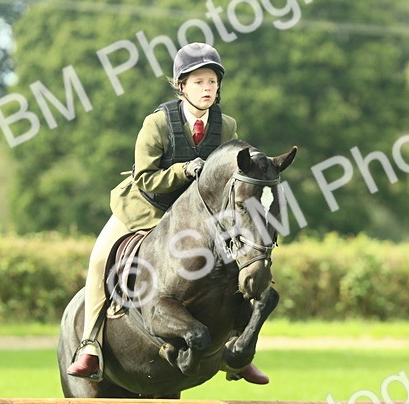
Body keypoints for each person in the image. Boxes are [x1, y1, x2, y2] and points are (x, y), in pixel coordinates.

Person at [67, 42, 270, 384]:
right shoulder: (157, 124)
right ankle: (89, 345)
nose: (207, 89)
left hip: (196, 216)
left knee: (242, 260)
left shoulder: (227, 126)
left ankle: (237, 350)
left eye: (212, 82)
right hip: (146, 207)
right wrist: (184, 170)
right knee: (100, 259)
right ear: (182, 86)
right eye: (198, 82)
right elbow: (146, 177)